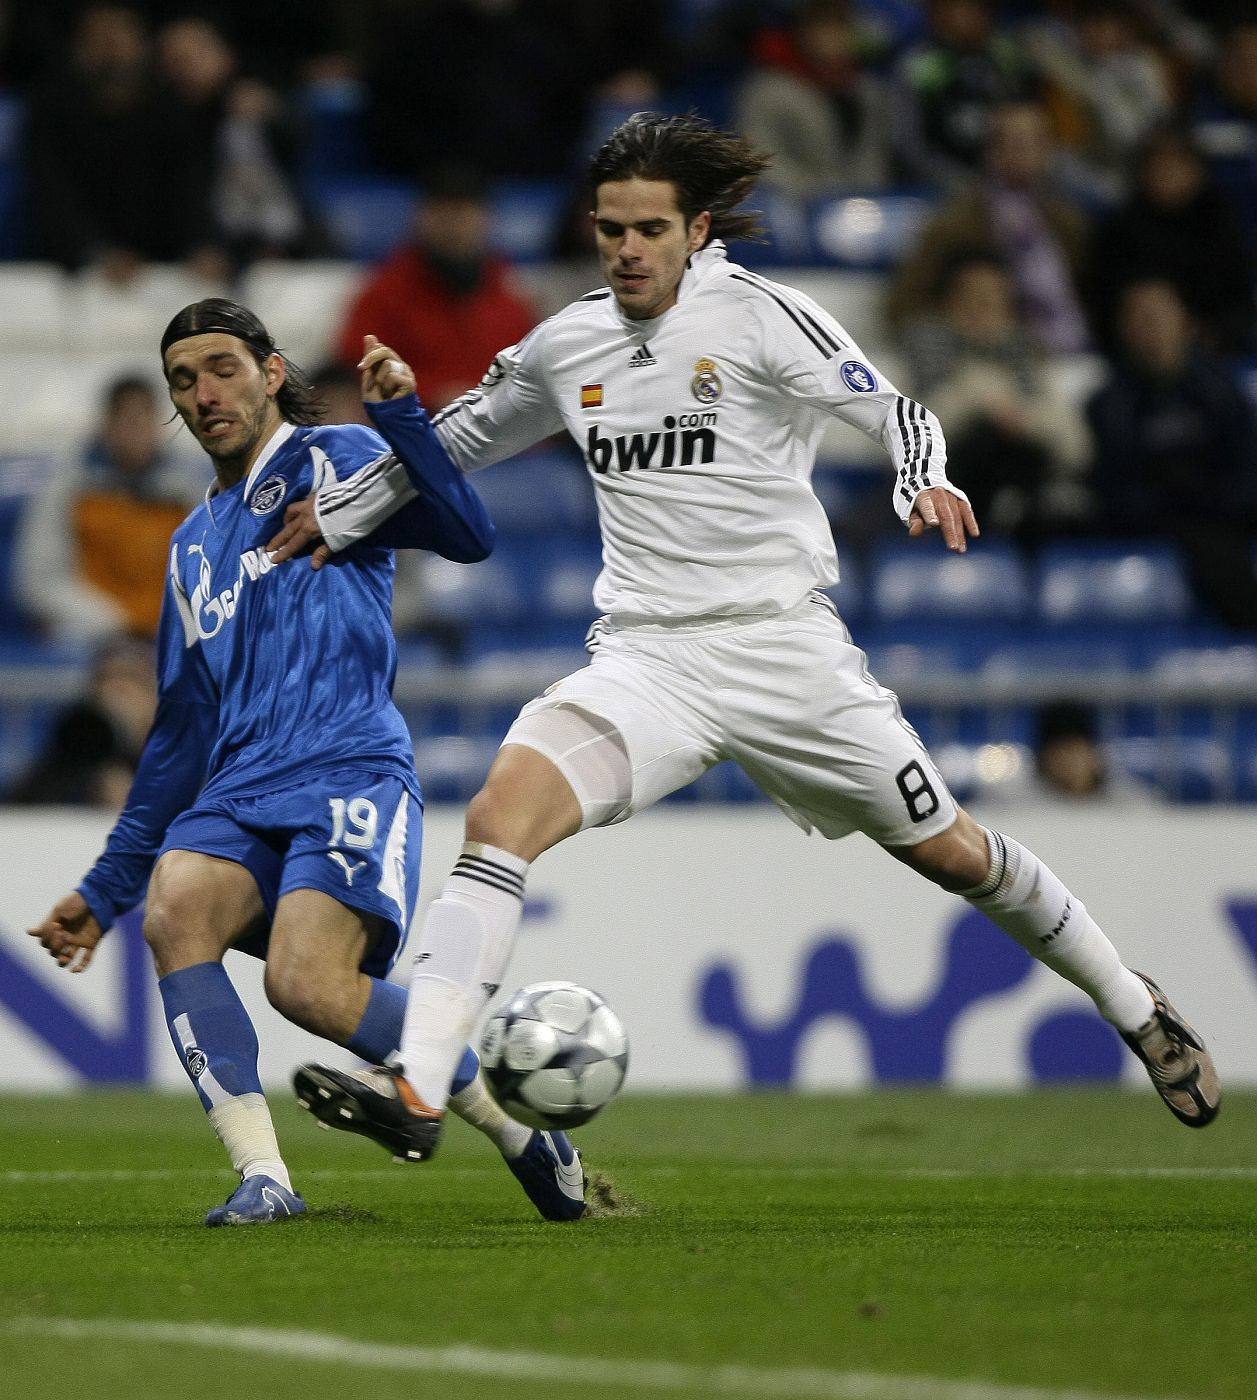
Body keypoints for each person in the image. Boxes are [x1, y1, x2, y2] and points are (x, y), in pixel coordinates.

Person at [274, 112, 1219, 1167]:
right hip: (647, 659)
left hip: (783, 651)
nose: (626, 249)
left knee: (956, 853)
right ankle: (418, 1084)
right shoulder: (566, 341)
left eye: (648, 229)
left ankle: (1137, 1006)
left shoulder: (766, 317)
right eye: (609, 229)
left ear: (697, 229)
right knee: (499, 813)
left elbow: (898, 412)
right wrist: (346, 508)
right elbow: (456, 441)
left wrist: (925, 476)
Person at [26, 298, 588, 1227]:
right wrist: (105, 888)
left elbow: (469, 534)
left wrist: (402, 418)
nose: (203, 393)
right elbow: (179, 733)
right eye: (182, 379)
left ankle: (520, 1131)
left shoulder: (340, 461)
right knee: (174, 907)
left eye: (222, 368)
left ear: (272, 372)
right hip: (241, 785)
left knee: (306, 987)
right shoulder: (190, 547)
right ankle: (265, 1178)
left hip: (345, 766)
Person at [1085, 278, 1257, 631]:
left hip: (1222, 514)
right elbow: (1113, 489)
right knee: (1208, 542)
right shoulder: (1109, 404)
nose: (1151, 327)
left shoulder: (1221, 394)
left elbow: (1245, 471)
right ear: (1123, 330)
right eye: (1139, 318)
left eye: (1159, 315)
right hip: (1159, 522)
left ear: (1185, 322)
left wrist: (1209, 499)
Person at [14, 376, 203, 645]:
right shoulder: (68, 489)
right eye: (128, 420)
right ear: (106, 424)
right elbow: (40, 581)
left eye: (145, 420)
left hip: (172, 634)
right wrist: (113, 622)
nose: (137, 433)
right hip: (91, 635)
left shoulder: (185, 491)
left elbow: (207, 570)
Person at [334, 166, 539, 414]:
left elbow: (532, 378)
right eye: (442, 213)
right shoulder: (384, 293)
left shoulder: (511, 295)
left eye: (464, 213)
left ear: (486, 218)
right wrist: (431, 395)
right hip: (416, 431)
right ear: (420, 216)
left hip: (505, 438)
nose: (453, 226)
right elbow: (357, 376)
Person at [6, 634, 158, 811]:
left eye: (133, 680)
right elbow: (19, 818)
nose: (116, 691)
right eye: (107, 679)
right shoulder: (70, 755)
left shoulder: (183, 763)